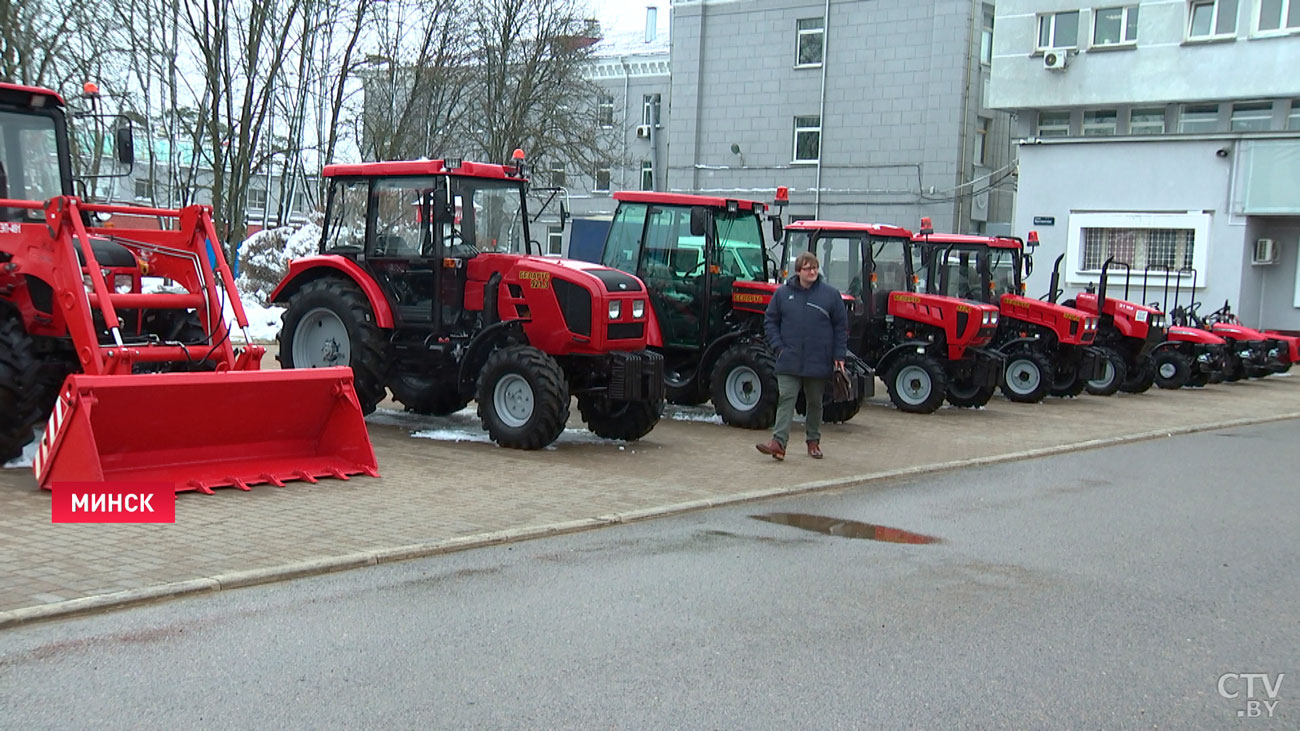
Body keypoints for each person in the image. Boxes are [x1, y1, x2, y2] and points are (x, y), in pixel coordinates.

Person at [756, 252, 848, 460]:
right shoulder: (782, 294)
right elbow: (770, 321)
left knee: (815, 402)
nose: (813, 271)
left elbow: (841, 328)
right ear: (798, 271)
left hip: (818, 359)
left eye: (815, 267)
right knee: (786, 398)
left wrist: (838, 356)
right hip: (788, 358)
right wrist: (778, 347)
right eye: (808, 268)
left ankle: (813, 442)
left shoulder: (830, 295)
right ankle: (778, 443)